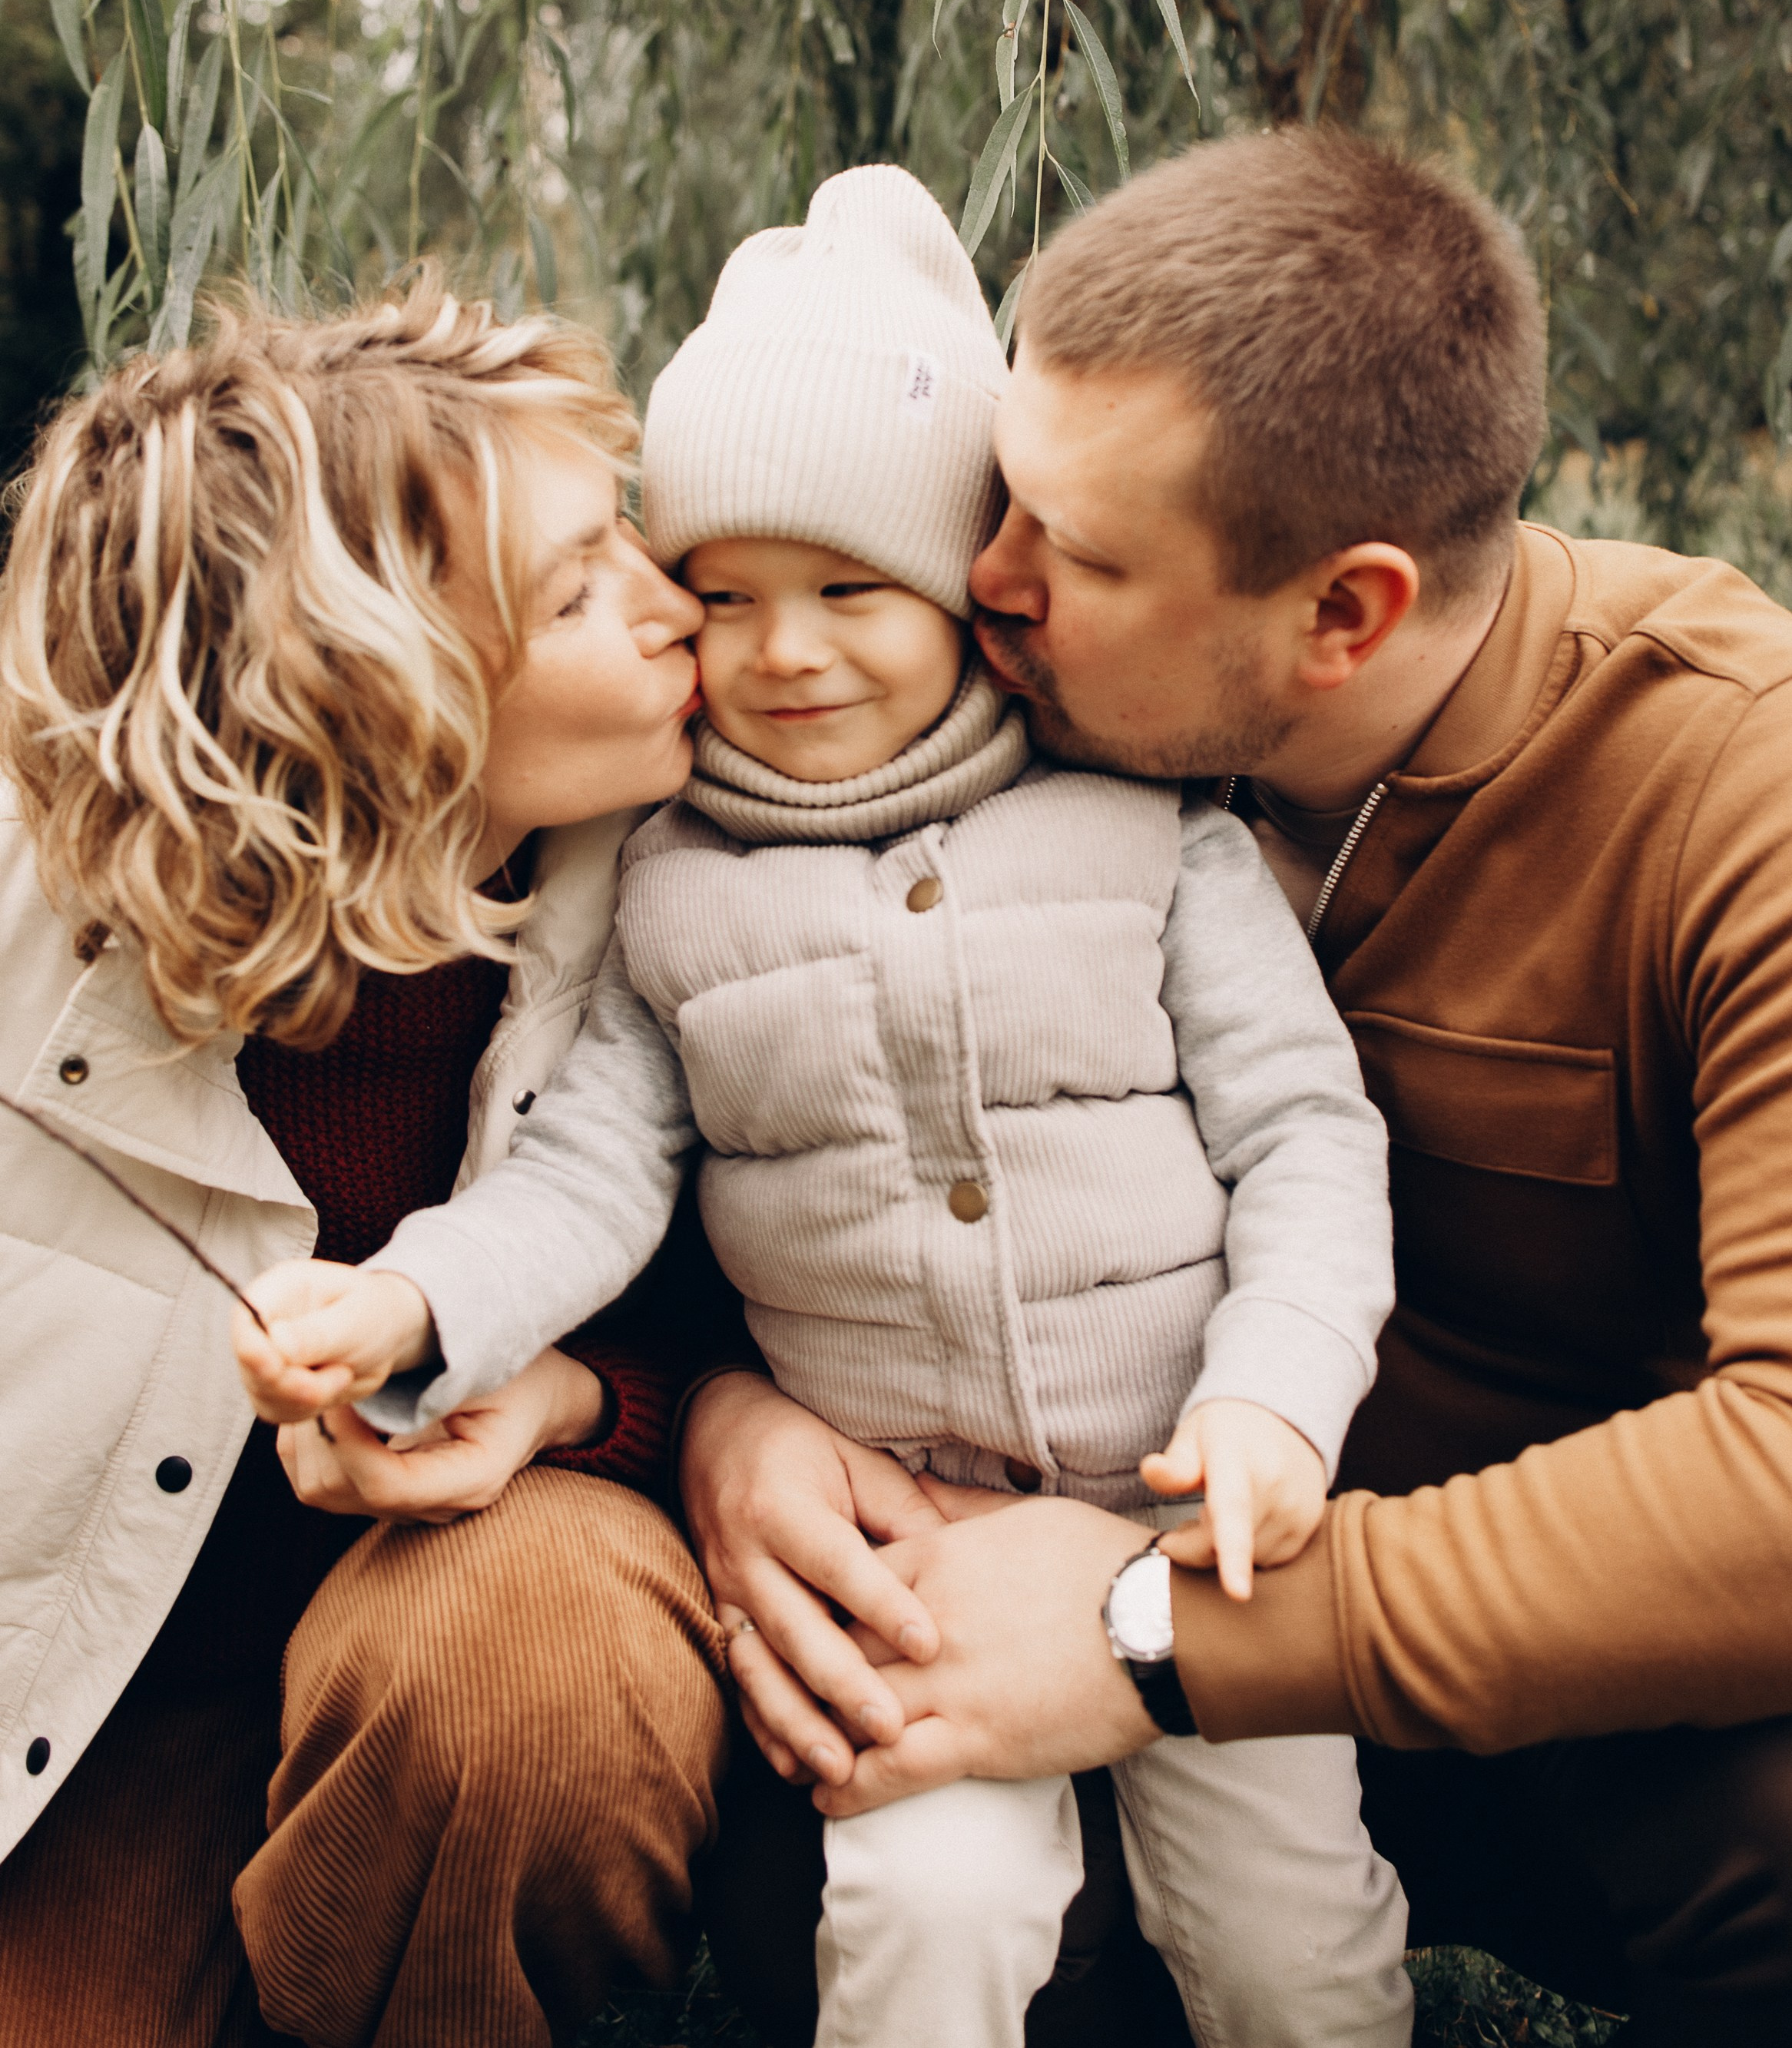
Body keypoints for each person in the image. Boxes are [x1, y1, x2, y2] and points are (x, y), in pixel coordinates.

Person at [236, 167, 1411, 2048]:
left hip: (1204, 1527)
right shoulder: (665, 885)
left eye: (851, 590)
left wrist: (1275, 1396)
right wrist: (425, 1303)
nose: (782, 653)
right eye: (725, 595)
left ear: (965, 588)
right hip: (899, 1561)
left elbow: (1306, 1136)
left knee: (1290, 1939)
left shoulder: (1141, 834)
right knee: (925, 1925)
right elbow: (588, 1169)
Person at [677, 125, 1792, 2048]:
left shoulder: (1734, 795)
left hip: (1525, 1673)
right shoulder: (944, 741)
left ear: (1341, 616)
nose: (978, 578)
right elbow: (748, 1106)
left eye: (1075, 552)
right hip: (1016, 1547)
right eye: (996, 503)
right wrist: (719, 1417)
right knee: (883, 1903)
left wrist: (1164, 1636)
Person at [0, 280, 728, 2048]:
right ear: (373, 702)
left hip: (479, 1605)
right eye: (574, 588)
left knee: (525, 1669)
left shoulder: (721, 879)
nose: (670, 595)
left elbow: (832, 1312)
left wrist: (572, 1401)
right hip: (113, 1690)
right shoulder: (40, 952)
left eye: (621, 530)